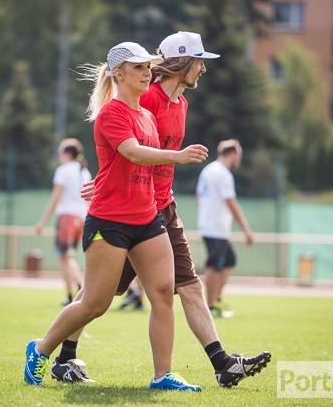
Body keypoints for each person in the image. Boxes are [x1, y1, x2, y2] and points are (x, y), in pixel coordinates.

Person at [51, 32, 271, 388]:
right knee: (97, 296)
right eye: (199, 61)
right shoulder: (147, 96)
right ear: (181, 62)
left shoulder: (182, 104)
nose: (202, 68)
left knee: (188, 285)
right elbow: (126, 147)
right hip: (131, 210)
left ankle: (221, 363)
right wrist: (106, 182)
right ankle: (61, 355)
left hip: (161, 207)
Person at [23, 41, 209, 391]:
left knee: (164, 291)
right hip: (109, 221)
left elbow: (131, 164)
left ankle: (162, 375)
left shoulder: (148, 115)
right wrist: (177, 156)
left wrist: (109, 179)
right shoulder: (111, 112)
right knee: (95, 303)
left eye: (147, 67)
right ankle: (40, 348)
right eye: (138, 68)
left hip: (147, 219)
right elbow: (133, 153)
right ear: (118, 74)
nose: (146, 72)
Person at [196, 139, 254, 318]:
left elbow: (198, 196)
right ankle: (210, 306)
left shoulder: (208, 170)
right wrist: (246, 229)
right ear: (233, 154)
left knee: (229, 261)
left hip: (210, 225)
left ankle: (216, 300)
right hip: (216, 228)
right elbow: (231, 203)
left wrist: (204, 216)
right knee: (214, 264)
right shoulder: (223, 174)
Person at [36, 138, 91, 306]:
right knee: (68, 256)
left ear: (67, 153)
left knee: (64, 257)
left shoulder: (63, 170)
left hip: (66, 217)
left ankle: (71, 293)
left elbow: (56, 198)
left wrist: (43, 221)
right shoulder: (84, 171)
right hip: (81, 217)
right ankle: (78, 285)